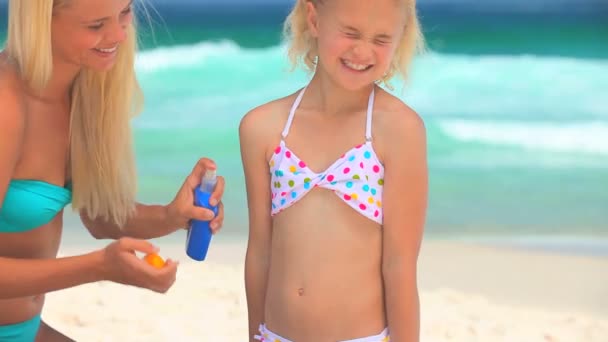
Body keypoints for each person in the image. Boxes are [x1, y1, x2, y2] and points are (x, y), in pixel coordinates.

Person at [0, 0, 225, 341]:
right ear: (42, 21)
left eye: (125, 13)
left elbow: (98, 217)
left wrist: (172, 215)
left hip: (24, 331)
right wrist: (98, 267)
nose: (119, 34)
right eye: (96, 26)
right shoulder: (6, 105)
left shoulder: (82, 89)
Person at [239, 0, 427, 341]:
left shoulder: (399, 130)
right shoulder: (263, 128)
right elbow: (260, 253)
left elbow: (399, 265)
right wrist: (255, 335)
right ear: (314, 20)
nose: (362, 50)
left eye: (381, 39)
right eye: (350, 33)